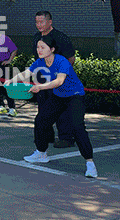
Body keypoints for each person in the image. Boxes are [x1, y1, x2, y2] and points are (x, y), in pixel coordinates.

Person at [6, 34, 97, 178]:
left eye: (42, 47)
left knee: (77, 127)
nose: (39, 50)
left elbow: (59, 81)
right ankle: (41, 153)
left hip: (74, 96)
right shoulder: (40, 62)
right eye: (38, 47)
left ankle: (90, 163)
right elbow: (27, 73)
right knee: (41, 120)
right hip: (58, 96)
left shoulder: (62, 61)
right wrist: (11, 80)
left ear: (52, 49)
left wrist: (40, 87)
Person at [32, 11, 76, 147]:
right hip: (42, 80)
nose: (39, 25)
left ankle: (66, 138)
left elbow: (71, 58)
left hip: (58, 81)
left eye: (42, 21)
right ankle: (46, 136)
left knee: (61, 110)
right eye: (37, 22)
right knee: (43, 108)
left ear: (50, 22)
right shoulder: (36, 37)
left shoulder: (60, 37)